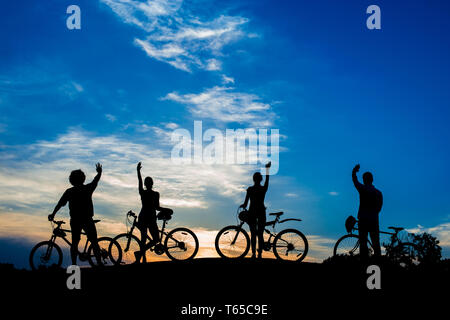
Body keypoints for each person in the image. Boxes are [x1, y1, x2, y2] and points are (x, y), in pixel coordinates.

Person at [48, 163, 103, 266]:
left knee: (74, 243)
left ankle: (74, 265)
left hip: (76, 220)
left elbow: (60, 204)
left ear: (71, 180)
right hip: (87, 219)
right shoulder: (87, 188)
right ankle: (99, 264)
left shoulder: (69, 192)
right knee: (94, 242)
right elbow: (96, 181)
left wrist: (53, 214)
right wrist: (99, 172)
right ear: (83, 179)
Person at [352, 164, 383, 262]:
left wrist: (354, 172)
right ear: (372, 180)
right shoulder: (378, 193)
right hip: (374, 220)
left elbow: (355, 181)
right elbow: (379, 207)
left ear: (365, 180)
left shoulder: (363, 189)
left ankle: (364, 263)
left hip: (363, 219)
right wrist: (374, 213)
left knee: (363, 242)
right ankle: (378, 264)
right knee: (376, 243)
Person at [240, 162, 271, 259]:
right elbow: (267, 181)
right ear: (260, 179)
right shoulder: (263, 189)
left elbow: (245, 203)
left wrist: (242, 206)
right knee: (260, 234)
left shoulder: (250, 189)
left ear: (253, 179)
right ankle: (260, 254)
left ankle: (253, 254)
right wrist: (267, 170)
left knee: (253, 234)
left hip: (252, 213)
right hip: (261, 212)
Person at [134, 162, 163, 263]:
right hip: (150, 218)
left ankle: (140, 255)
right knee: (155, 239)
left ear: (146, 184)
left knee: (144, 239)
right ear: (152, 184)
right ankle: (141, 257)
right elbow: (157, 207)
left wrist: (138, 171)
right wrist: (166, 209)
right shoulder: (155, 194)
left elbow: (139, 181)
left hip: (144, 217)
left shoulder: (143, 193)